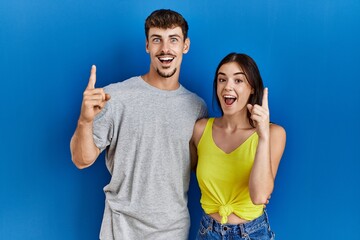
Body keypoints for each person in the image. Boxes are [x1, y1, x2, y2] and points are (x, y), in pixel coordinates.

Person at [70, 9, 207, 240]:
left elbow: (200, 168)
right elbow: (81, 160)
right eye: (157, 40)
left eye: (173, 39)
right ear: (147, 46)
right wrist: (85, 121)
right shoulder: (116, 96)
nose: (165, 49)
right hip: (120, 229)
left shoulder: (197, 107)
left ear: (185, 45)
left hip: (172, 231)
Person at [190, 53, 286, 239]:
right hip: (208, 232)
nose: (228, 86)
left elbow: (259, 196)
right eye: (222, 79)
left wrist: (263, 136)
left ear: (252, 88)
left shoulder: (275, 134)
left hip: (252, 233)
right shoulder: (200, 130)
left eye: (238, 80)